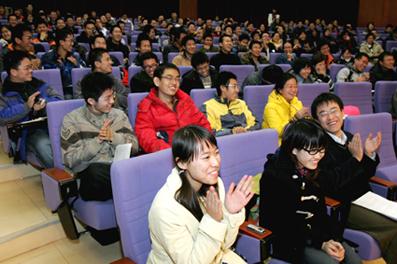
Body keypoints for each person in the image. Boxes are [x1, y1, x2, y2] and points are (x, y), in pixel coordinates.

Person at [259, 118, 362, 264]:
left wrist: (332, 238)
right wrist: (321, 243)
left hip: (315, 233)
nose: (319, 156)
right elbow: (284, 224)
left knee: (353, 260)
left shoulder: (310, 166)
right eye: (313, 151)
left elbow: (319, 211)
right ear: (294, 149)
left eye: (321, 150)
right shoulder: (275, 177)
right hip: (290, 240)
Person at [311, 93, 397, 264]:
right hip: (344, 205)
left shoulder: (349, 137)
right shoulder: (317, 146)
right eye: (323, 113)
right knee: (394, 227)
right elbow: (330, 184)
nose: (330, 117)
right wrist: (356, 159)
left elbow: (365, 174)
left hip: (366, 198)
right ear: (317, 120)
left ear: (343, 112)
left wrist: (369, 155)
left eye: (334, 111)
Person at [147, 125, 253, 264]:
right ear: (182, 163)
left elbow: (224, 245)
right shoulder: (165, 209)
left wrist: (231, 213)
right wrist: (213, 221)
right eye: (206, 157)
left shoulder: (214, 184)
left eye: (216, 153)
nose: (215, 162)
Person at [61, 72, 139, 201]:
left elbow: (135, 147)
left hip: (118, 168)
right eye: (107, 98)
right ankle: (133, 189)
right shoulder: (71, 120)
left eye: (113, 96)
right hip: (92, 177)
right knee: (95, 172)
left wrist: (113, 137)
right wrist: (98, 141)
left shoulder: (119, 115)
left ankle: (128, 190)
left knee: (142, 165)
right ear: (91, 101)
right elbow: (70, 159)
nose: (112, 101)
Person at [1, 51, 62, 167]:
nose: (31, 71)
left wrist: (45, 103)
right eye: (27, 68)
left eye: (31, 67)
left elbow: (58, 99)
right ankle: (63, 176)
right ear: (13, 72)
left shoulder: (38, 84)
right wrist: (27, 107)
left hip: (51, 124)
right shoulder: (4, 94)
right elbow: (2, 116)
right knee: (43, 144)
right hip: (27, 132)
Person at [134, 63, 211, 153]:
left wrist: (201, 145)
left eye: (177, 79)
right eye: (169, 78)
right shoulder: (146, 107)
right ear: (157, 81)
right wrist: (173, 153)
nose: (174, 83)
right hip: (167, 156)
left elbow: (203, 124)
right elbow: (148, 140)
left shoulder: (185, 101)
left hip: (195, 150)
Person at [201, 71, 259, 136]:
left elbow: (256, 124)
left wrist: (244, 130)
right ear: (223, 88)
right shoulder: (208, 107)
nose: (237, 90)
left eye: (237, 86)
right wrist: (231, 131)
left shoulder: (241, 103)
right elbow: (211, 132)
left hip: (247, 137)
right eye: (234, 86)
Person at [262, 73, 310, 144]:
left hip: (297, 140)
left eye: (295, 87)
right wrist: (295, 118)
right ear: (280, 90)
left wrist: (307, 119)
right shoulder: (270, 107)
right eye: (290, 87)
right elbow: (278, 132)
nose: (294, 90)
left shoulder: (297, 103)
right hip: (279, 144)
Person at [41, 28, 83, 98]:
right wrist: (62, 67)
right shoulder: (48, 57)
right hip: (57, 91)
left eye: (73, 41)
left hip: (75, 90)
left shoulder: (75, 56)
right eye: (70, 41)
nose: (72, 44)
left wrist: (77, 65)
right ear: (61, 42)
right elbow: (53, 80)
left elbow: (83, 74)